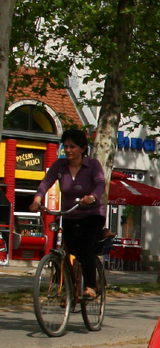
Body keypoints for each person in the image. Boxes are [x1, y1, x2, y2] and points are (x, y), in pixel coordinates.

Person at [30, 128, 106, 299]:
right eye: (66, 146)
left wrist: (92, 197)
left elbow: (101, 184)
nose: (69, 150)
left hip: (92, 213)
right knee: (68, 247)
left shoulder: (93, 165)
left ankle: (91, 286)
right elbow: (46, 182)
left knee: (85, 245)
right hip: (69, 213)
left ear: (83, 148)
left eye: (72, 146)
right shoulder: (59, 166)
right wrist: (37, 199)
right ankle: (67, 287)